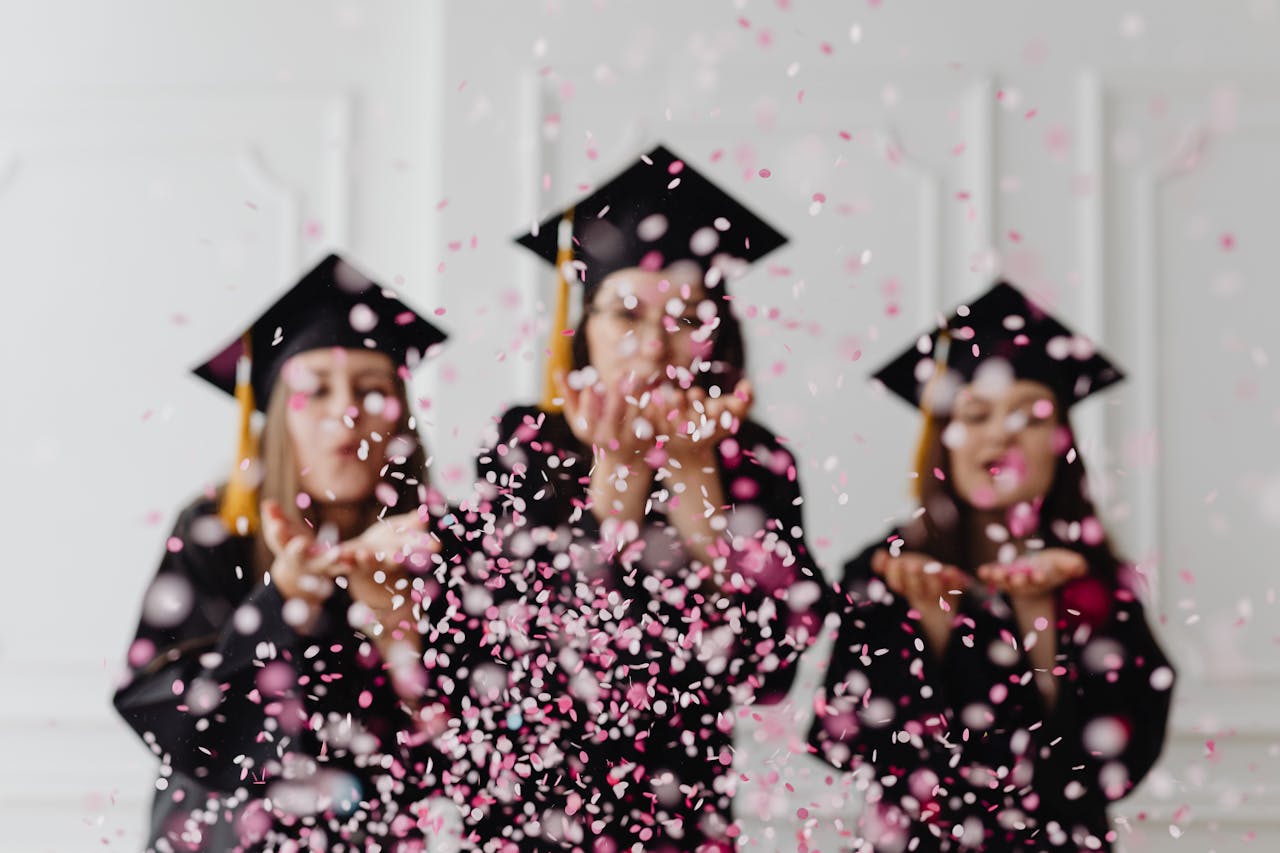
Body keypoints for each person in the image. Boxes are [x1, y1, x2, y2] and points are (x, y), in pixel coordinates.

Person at [429, 144, 827, 851]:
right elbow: (510, 656)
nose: (653, 346)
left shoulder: (757, 461)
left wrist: (696, 473)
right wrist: (617, 476)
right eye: (626, 314)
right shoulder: (527, 445)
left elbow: (768, 672)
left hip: (683, 813)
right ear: (584, 332)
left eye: (683, 316)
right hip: (529, 812)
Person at [114, 254, 466, 851]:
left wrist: (393, 623)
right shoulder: (216, 531)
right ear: (278, 415)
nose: (347, 413)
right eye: (317, 390)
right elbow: (170, 715)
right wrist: (282, 599)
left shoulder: (439, 542)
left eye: (372, 390)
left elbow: (473, 746)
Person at [807, 281, 1175, 852]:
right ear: (945, 443)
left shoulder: (1100, 584)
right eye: (976, 414)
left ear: (1058, 442)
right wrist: (931, 626)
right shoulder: (885, 571)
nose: (1001, 432)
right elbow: (844, 743)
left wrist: (1039, 621)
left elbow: (1114, 768)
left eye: (1028, 416)